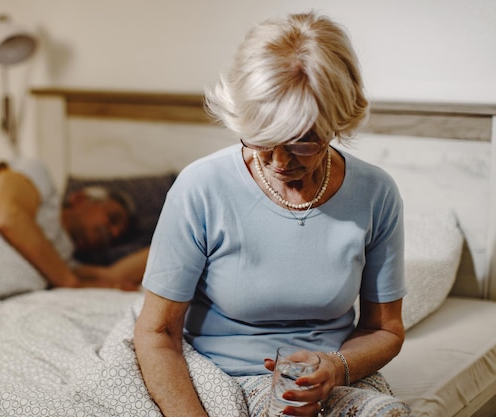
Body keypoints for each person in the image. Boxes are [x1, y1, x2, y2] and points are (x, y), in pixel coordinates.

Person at [134, 12, 410, 417]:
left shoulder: (375, 193)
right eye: (262, 137)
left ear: (337, 122)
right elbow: (156, 330)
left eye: (303, 141)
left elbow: (384, 328)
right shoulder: (201, 188)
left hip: (328, 379)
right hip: (215, 375)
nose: (280, 161)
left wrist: (335, 367)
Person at [0, 158, 148, 290]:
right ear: (80, 198)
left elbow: (113, 275)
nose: (113, 232)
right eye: (113, 218)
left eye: (116, 240)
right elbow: (9, 217)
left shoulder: (66, 264)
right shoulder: (39, 179)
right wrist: (69, 281)